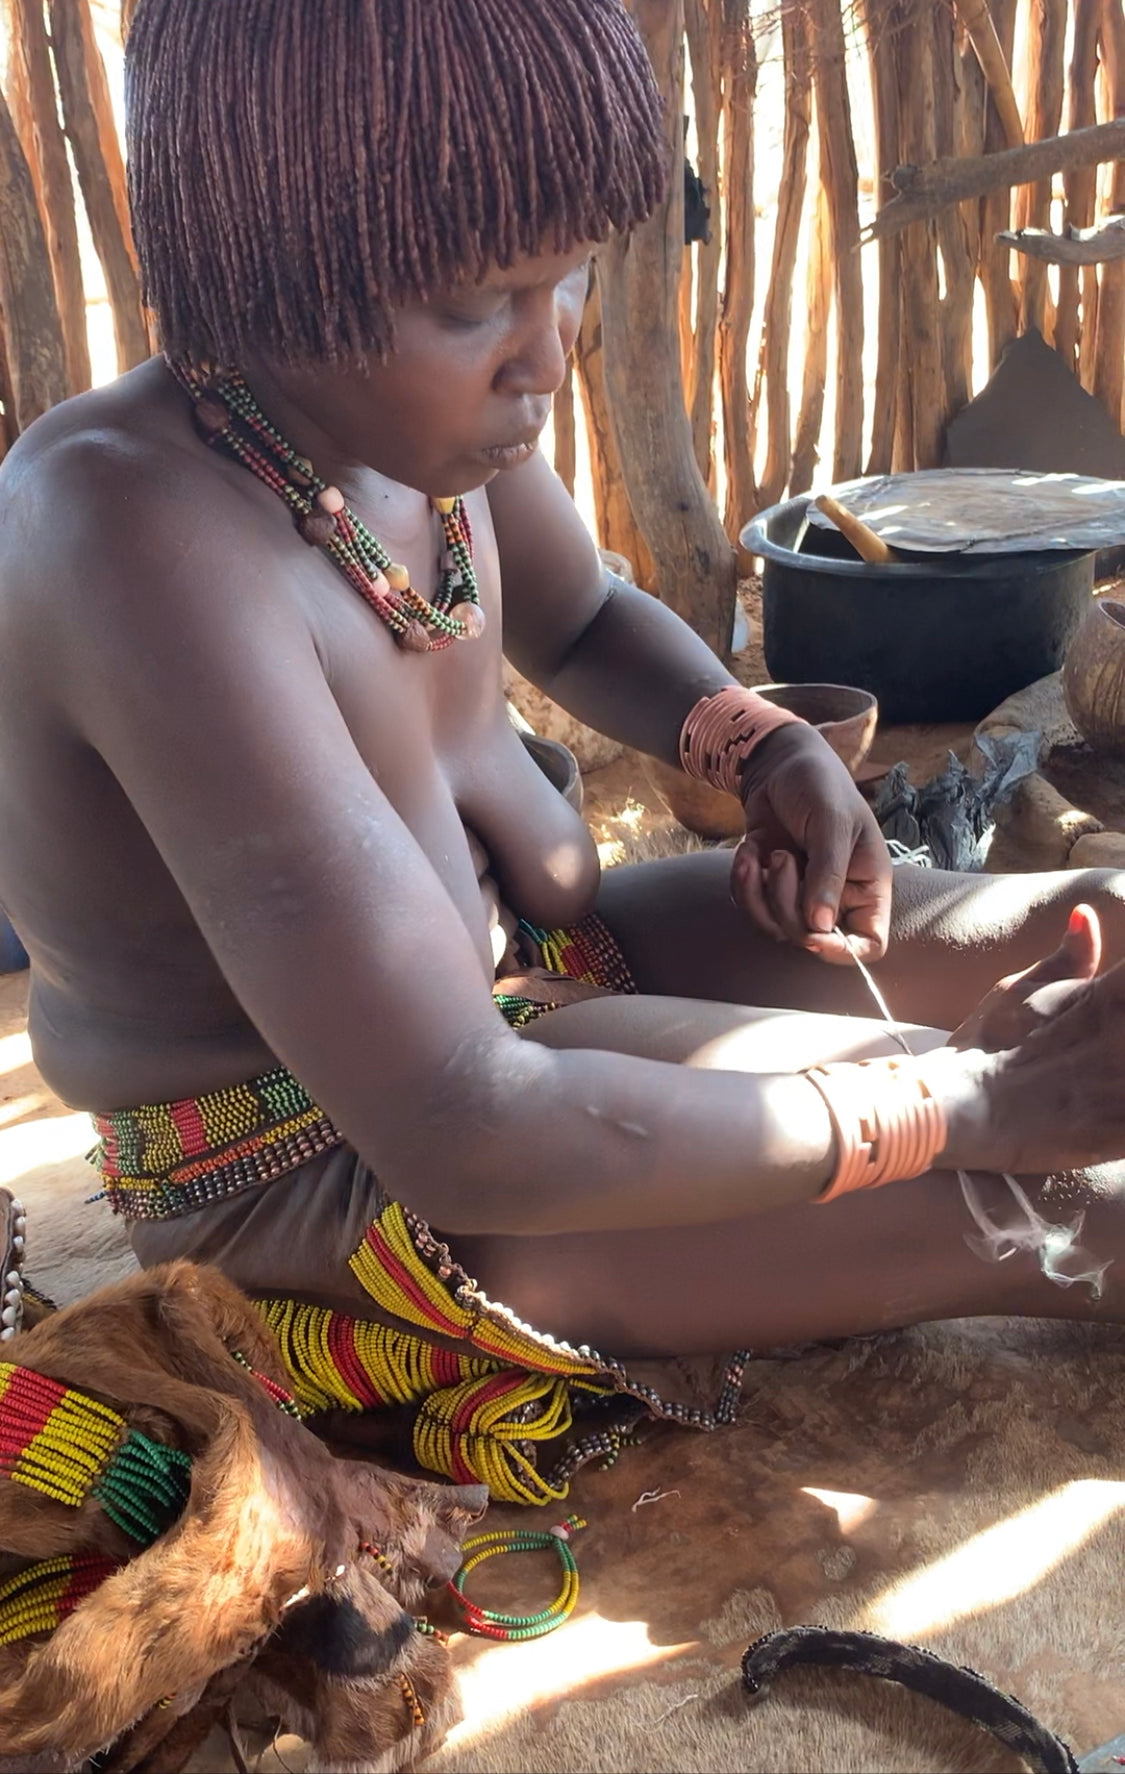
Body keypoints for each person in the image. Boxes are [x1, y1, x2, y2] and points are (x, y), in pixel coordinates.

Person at [0, 0, 1123, 1506]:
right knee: (1046, 1174)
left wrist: (759, 736)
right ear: (267, 267)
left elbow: (585, 615)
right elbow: (466, 1124)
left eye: (570, 272)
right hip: (346, 1167)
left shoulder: (415, 440)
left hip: (533, 982)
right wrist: (965, 1106)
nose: (550, 351)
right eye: (481, 302)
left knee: (1080, 937)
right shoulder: (134, 536)